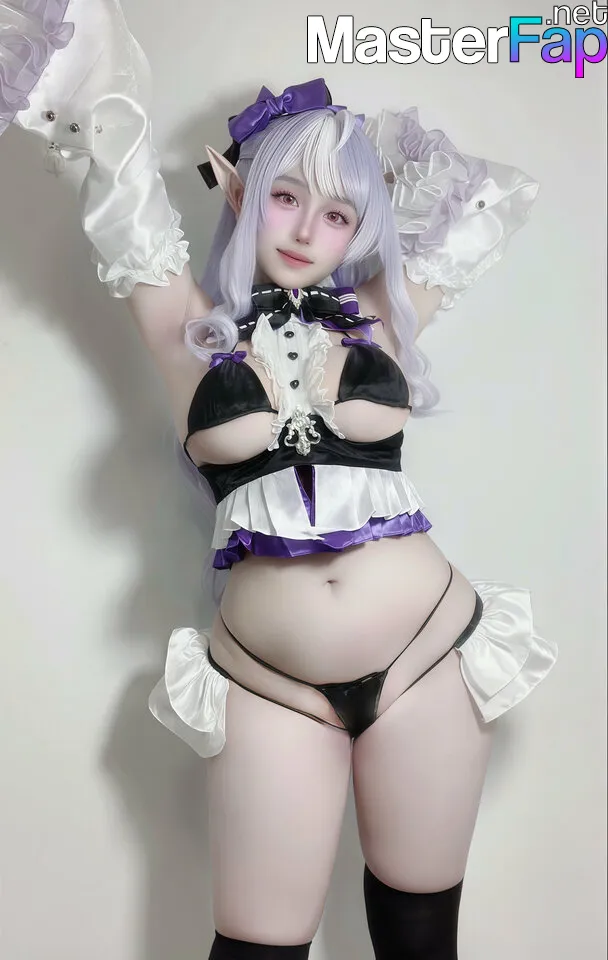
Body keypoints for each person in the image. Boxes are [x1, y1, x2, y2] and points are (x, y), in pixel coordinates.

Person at [1, 2, 558, 957]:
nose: (306, 230)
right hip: (271, 685)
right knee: (258, 946)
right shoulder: (187, 331)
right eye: (285, 195)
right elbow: (121, 180)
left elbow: (486, 201)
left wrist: (355, 153)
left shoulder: (383, 316)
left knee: (421, 939)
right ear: (240, 190)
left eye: (339, 214)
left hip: (428, 656)